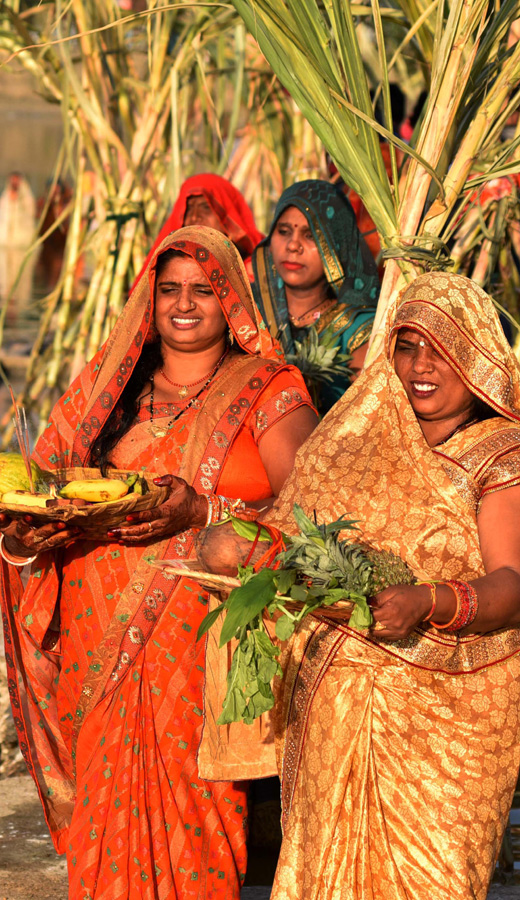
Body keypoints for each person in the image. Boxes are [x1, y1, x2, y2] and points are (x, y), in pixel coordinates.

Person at [0, 226, 318, 900]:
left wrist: (202, 514)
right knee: (103, 818)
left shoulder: (267, 389)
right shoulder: (103, 396)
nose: (185, 303)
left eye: (203, 289)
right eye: (168, 289)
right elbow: (40, 496)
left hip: (198, 651)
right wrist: (27, 528)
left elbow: (314, 514)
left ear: (231, 300)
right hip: (94, 645)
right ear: (148, 300)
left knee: (196, 821)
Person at [259, 272, 520, 900]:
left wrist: (427, 601)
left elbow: (513, 584)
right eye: (407, 346)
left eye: (441, 348)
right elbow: (296, 538)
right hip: (340, 703)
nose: (421, 366)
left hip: (451, 725)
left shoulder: (500, 455)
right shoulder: (356, 445)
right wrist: (234, 541)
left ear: (478, 358)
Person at [252, 179, 380, 411]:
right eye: (283, 232)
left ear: (335, 245)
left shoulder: (359, 328)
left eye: (310, 236)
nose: (293, 246)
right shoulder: (248, 312)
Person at [141, 174, 263, 282]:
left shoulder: (261, 268)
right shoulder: (163, 270)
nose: (194, 217)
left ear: (227, 219)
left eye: (205, 207)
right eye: (188, 209)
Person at [0, 172, 38, 304]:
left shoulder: (27, 199)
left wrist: (18, 204)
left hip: (22, 241)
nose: (14, 184)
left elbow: (30, 216)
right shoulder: (4, 199)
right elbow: (0, 218)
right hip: (5, 242)